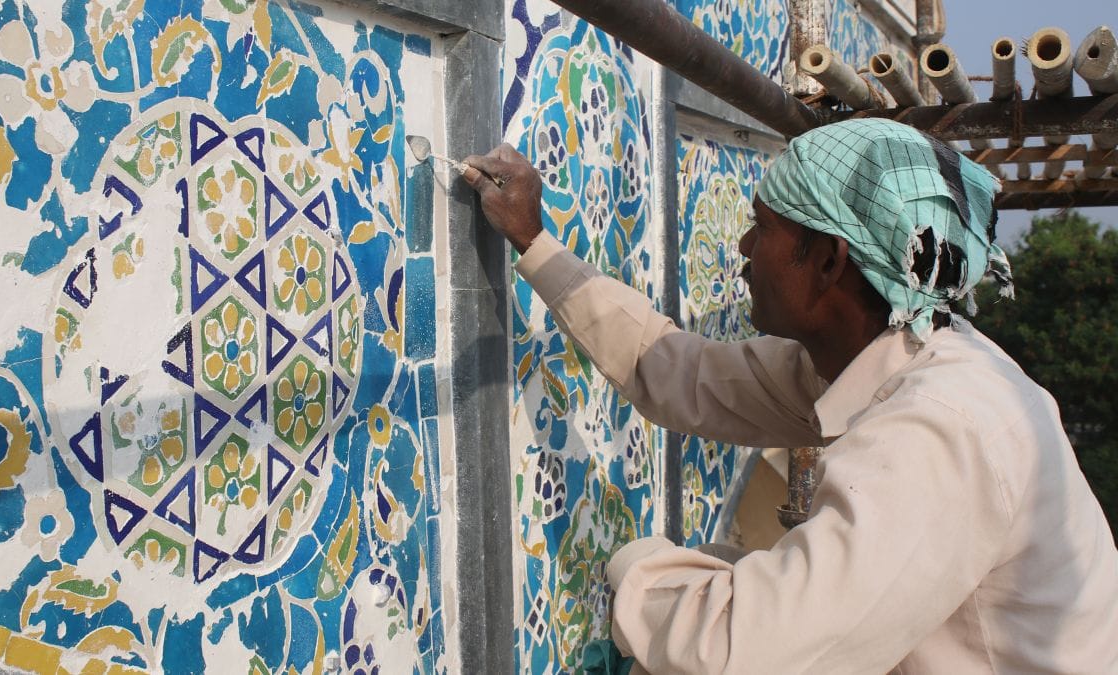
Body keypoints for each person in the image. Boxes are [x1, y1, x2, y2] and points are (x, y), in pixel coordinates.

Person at [461, 118, 1118, 674]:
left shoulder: (941, 429)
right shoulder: (877, 355)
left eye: (763, 227)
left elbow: (746, 651)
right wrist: (535, 242)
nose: (743, 250)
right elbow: (684, 375)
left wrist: (630, 570)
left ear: (829, 261)